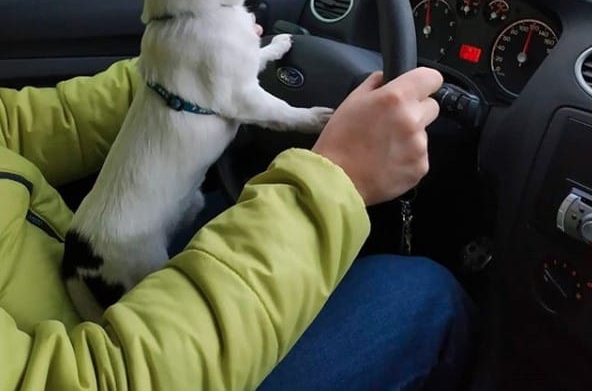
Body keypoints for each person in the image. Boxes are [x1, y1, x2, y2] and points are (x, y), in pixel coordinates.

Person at [0, 56, 474, 390]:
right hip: (113, 360)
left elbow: (19, 126)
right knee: (422, 293)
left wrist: (197, 61)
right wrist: (337, 180)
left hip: (77, 286)